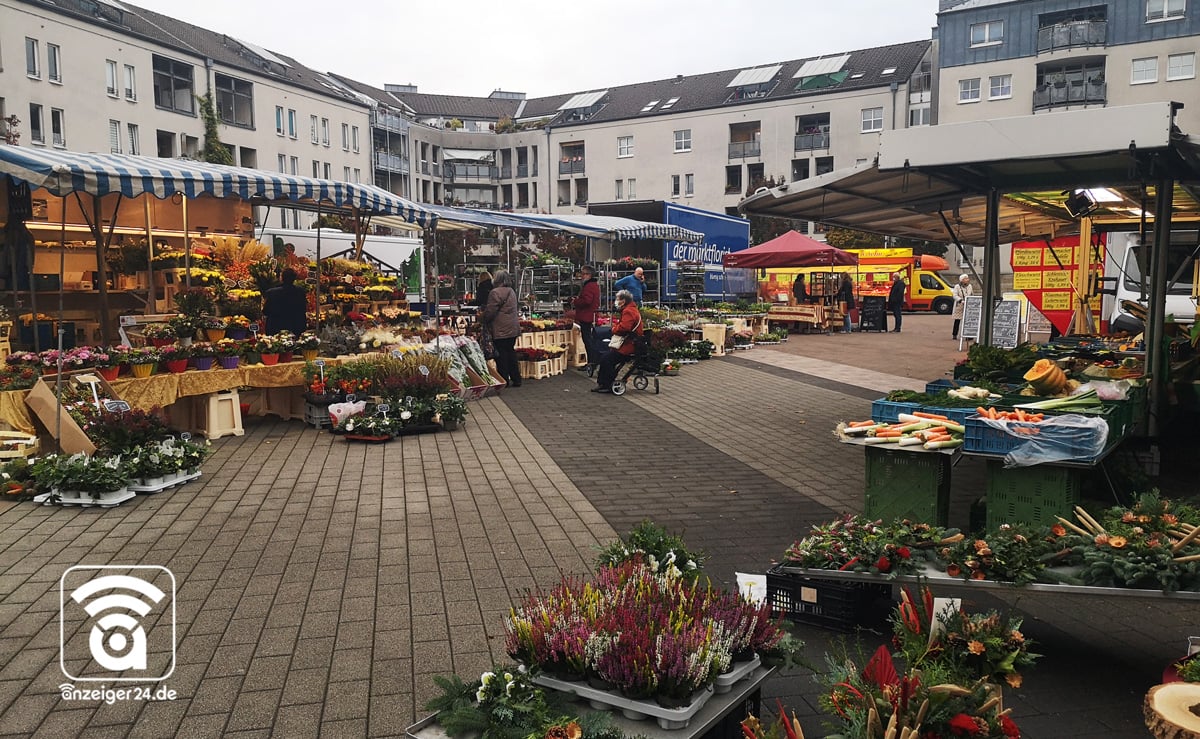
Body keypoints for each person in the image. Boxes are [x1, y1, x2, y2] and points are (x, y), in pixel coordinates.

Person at [593, 289, 642, 394]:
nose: (616, 301)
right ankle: (604, 383)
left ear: (623, 301)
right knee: (607, 357)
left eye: (618, 299)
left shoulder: (628, 311)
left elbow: (624, 328)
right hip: (632, 344)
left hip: (628, 346)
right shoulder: (632, 309)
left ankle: (605, 384)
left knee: (606, 359)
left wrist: (614, 328)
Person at [482, 269, 522, 387]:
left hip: (500, 329)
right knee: (511, 352)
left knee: (501, 355)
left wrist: (483, 318)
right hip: (513, 328)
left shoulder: (495, 293)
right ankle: (516, 378)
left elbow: (490, 312)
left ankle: (504, 379)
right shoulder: (511, 291)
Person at [263, 268, 308, 336]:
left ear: (282, 278)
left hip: (276, 328)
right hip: (295, 327)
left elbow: (266, 311)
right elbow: (303, 309)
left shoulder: (272, 293)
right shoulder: (300, 292)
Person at [572, 265, 601, 368]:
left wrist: (576, 301)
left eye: (584, 274)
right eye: (582, 274)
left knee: (588, 340)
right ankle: (592, 362)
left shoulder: (589, 286)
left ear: (589, 275)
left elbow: (587, 301)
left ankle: (591, 362)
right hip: (589, 315)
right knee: (589, 340)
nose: (582, 276)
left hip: (587, 316)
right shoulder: (594, 285)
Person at [951, 273, 973, 340]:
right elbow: (954, 295)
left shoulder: (970, 286)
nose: (967, 280)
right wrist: (960, 300)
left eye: (967, 278)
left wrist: (971, 300)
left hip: (968, 304)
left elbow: (971, 294)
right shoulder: (957, 286)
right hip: (960, 305)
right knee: (957, 320)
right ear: (962, 280)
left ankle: (968, 335)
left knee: (967, 321)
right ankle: (954, 334)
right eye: (966, 278)